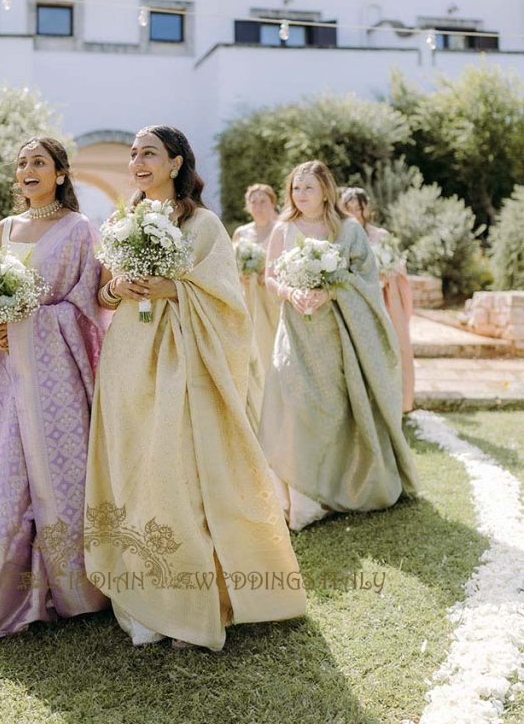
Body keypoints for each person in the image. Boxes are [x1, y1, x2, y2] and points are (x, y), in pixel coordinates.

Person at [85, 126, 306, 651]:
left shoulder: (204, 225)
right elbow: (103, 292)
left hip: (183, 362)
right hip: (127, 361)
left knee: (177, 473)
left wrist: (172, 289)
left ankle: (193, 603)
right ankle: (144, 601)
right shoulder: (122, 221)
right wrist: (120, 286)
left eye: (150, 153)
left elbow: (228, 304)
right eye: (134, 153)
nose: (138, 161)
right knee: (134, 471)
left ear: (177, 163)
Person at [0, 137, 110, 642]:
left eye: (39, 162)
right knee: (7, 471)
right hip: (9, 373)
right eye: (22, 162)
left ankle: (72, 589)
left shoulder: (79, 230)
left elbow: (88, 306)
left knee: (56, 474)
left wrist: (33, 323)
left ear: (60, 174)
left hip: (57, 376)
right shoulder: (5, 229)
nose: (28, 169)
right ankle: (7, 591)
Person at [259, 160, 419, 532]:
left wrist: (330, 291)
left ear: (326, 191)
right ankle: (303, 501)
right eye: (296, 188)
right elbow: (269, 276)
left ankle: (340, 489)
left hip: (338, 336)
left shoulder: (347, 230)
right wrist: (291, 292)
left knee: (333, 408)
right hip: (295, 332)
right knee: (296, 403)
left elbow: (365, 278)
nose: (300, 195)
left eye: (308, 188)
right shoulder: (283, 229)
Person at [341, 187, 415, 413]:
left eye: (359, 208)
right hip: (355, 299)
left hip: (384, 298)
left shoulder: (381, 236)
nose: (355, 213)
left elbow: (397, 265)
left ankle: (397, 402)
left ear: (366, 209)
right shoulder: (340, 234)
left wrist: (387, 273)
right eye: (349, 208)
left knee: (391, 346)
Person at [232, 184, 280, 385]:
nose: (258, 206)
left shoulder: (280, 230)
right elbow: (230, 265)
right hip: (247, 296)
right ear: (248, 206)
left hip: (271, 298)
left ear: (272, 204)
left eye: (263, 202)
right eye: (254, 202)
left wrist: (269, 273)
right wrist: (240, 275)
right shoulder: (241, 233)